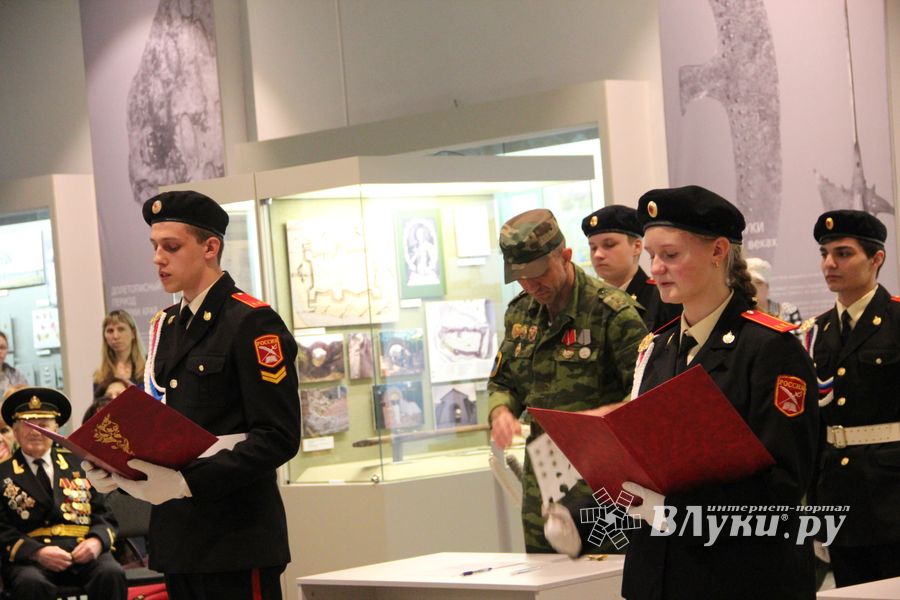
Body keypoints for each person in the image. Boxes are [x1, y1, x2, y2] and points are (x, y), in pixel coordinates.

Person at [545, 186, 819, 599]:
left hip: (739, 577)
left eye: (671, 255)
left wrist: (672, 513)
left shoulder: (769, 349)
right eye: (652, 255)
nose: (656, 268)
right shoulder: (657, 349)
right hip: (658, 576)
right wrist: (580, 514)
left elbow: (782, 486)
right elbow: (637, 460)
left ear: (718, 251)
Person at [83, 190, 302, 600]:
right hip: (178, 539)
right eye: (154, 247)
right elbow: (160, 427)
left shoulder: (251, 323)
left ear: (210, 248)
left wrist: (187, 482)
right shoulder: (166, 325)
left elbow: (278, 437)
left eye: (171, 247)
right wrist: (116, 469)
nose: (158, 259)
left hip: (235, 537)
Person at [489, 208, 647, 553]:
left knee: (603, 577)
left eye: (538, 273)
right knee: (543, 576)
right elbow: (503, 382)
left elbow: (646, 400)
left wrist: (600, 418)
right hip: (542, 483)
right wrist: (501, 412)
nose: (531, 285)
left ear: (565, 256)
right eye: (520, 278)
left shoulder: (612, 313)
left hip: (600, 487)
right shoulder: (520, 313)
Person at [804, 209, 900, 587]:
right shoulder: (816, 332)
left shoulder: (896, 321)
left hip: (892, 493)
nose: (829, 264)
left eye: (843, 253)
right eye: (825, 253)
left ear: (876, 258)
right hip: (838, 494)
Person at [0, 387, 126, 599]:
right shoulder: (3, 473)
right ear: (15, 429)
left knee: (111, 573)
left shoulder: (81, 464)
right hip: (32, 559)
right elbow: (3, 529)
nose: (35, 432)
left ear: (56, 429)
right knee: (31, 583)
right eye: (28, 425)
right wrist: (36, 552)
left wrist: (96, 541)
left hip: (82, 551)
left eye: (43, 425)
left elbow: (104, 515)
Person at [582, 205, 681, 331]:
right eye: (593, 247)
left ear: (637, 247)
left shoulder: (663, 298)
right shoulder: (587, 301)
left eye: (609, 244)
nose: (598, 255)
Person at [92, 310, 146, 392]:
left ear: (133, 333)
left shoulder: (149, 369)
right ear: (104, 337)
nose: (115, 336)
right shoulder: (100, 376)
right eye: (110, 331)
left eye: (121, 329)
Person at [745, 257, 802, 327]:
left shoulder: (788, 312)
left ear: (767, 286)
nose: (753, 288)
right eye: (748, 283)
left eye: (758, 283)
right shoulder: (740, 314)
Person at [0, 331, 29, 398]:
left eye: (2, 347)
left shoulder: (15, 374)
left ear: (7, 350)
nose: (0, 351)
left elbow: (27, 396)